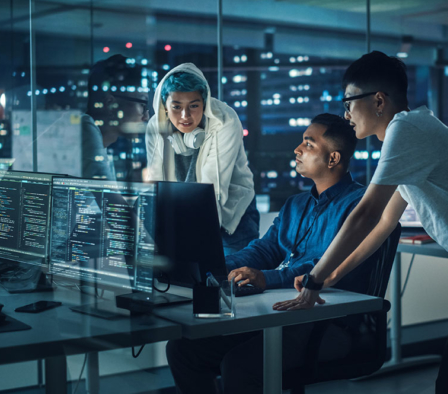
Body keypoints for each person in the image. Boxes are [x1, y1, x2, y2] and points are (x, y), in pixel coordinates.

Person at [273, 51, 448, 394]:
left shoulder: (406, 129)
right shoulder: (415, 132)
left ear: (378, 100)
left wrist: (315, 280)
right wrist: (330, 276)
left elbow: (366, 213)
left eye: (349, 102)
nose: (346, 114)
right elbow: (384, 224)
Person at [166, 113, 387, 394]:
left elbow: (323, 266)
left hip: (328, 323)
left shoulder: (359, 206)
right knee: (184, 350)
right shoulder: (296, 204)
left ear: (333, 158)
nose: (297, 149)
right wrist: (213, 265)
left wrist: (266, 279)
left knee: (240, 365)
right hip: (280, 313)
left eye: (308, 144)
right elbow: (264, 249)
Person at [146, 63, 259, 254]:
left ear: (204, 104)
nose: (185, 116)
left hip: (233, 214)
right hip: (183, 214)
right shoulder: (155, 127)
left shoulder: (225, 121)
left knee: (230, 279)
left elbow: (213, 188)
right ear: (165, 106)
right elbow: (158, 183)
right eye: (176, 106)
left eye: (194, 106)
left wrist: (192, 238)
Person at [83, 54, 149, 180]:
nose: (146, 117)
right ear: (111, 105)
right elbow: (109, 198)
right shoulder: (86, 131)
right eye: (142, 104)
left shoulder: (101, 144)